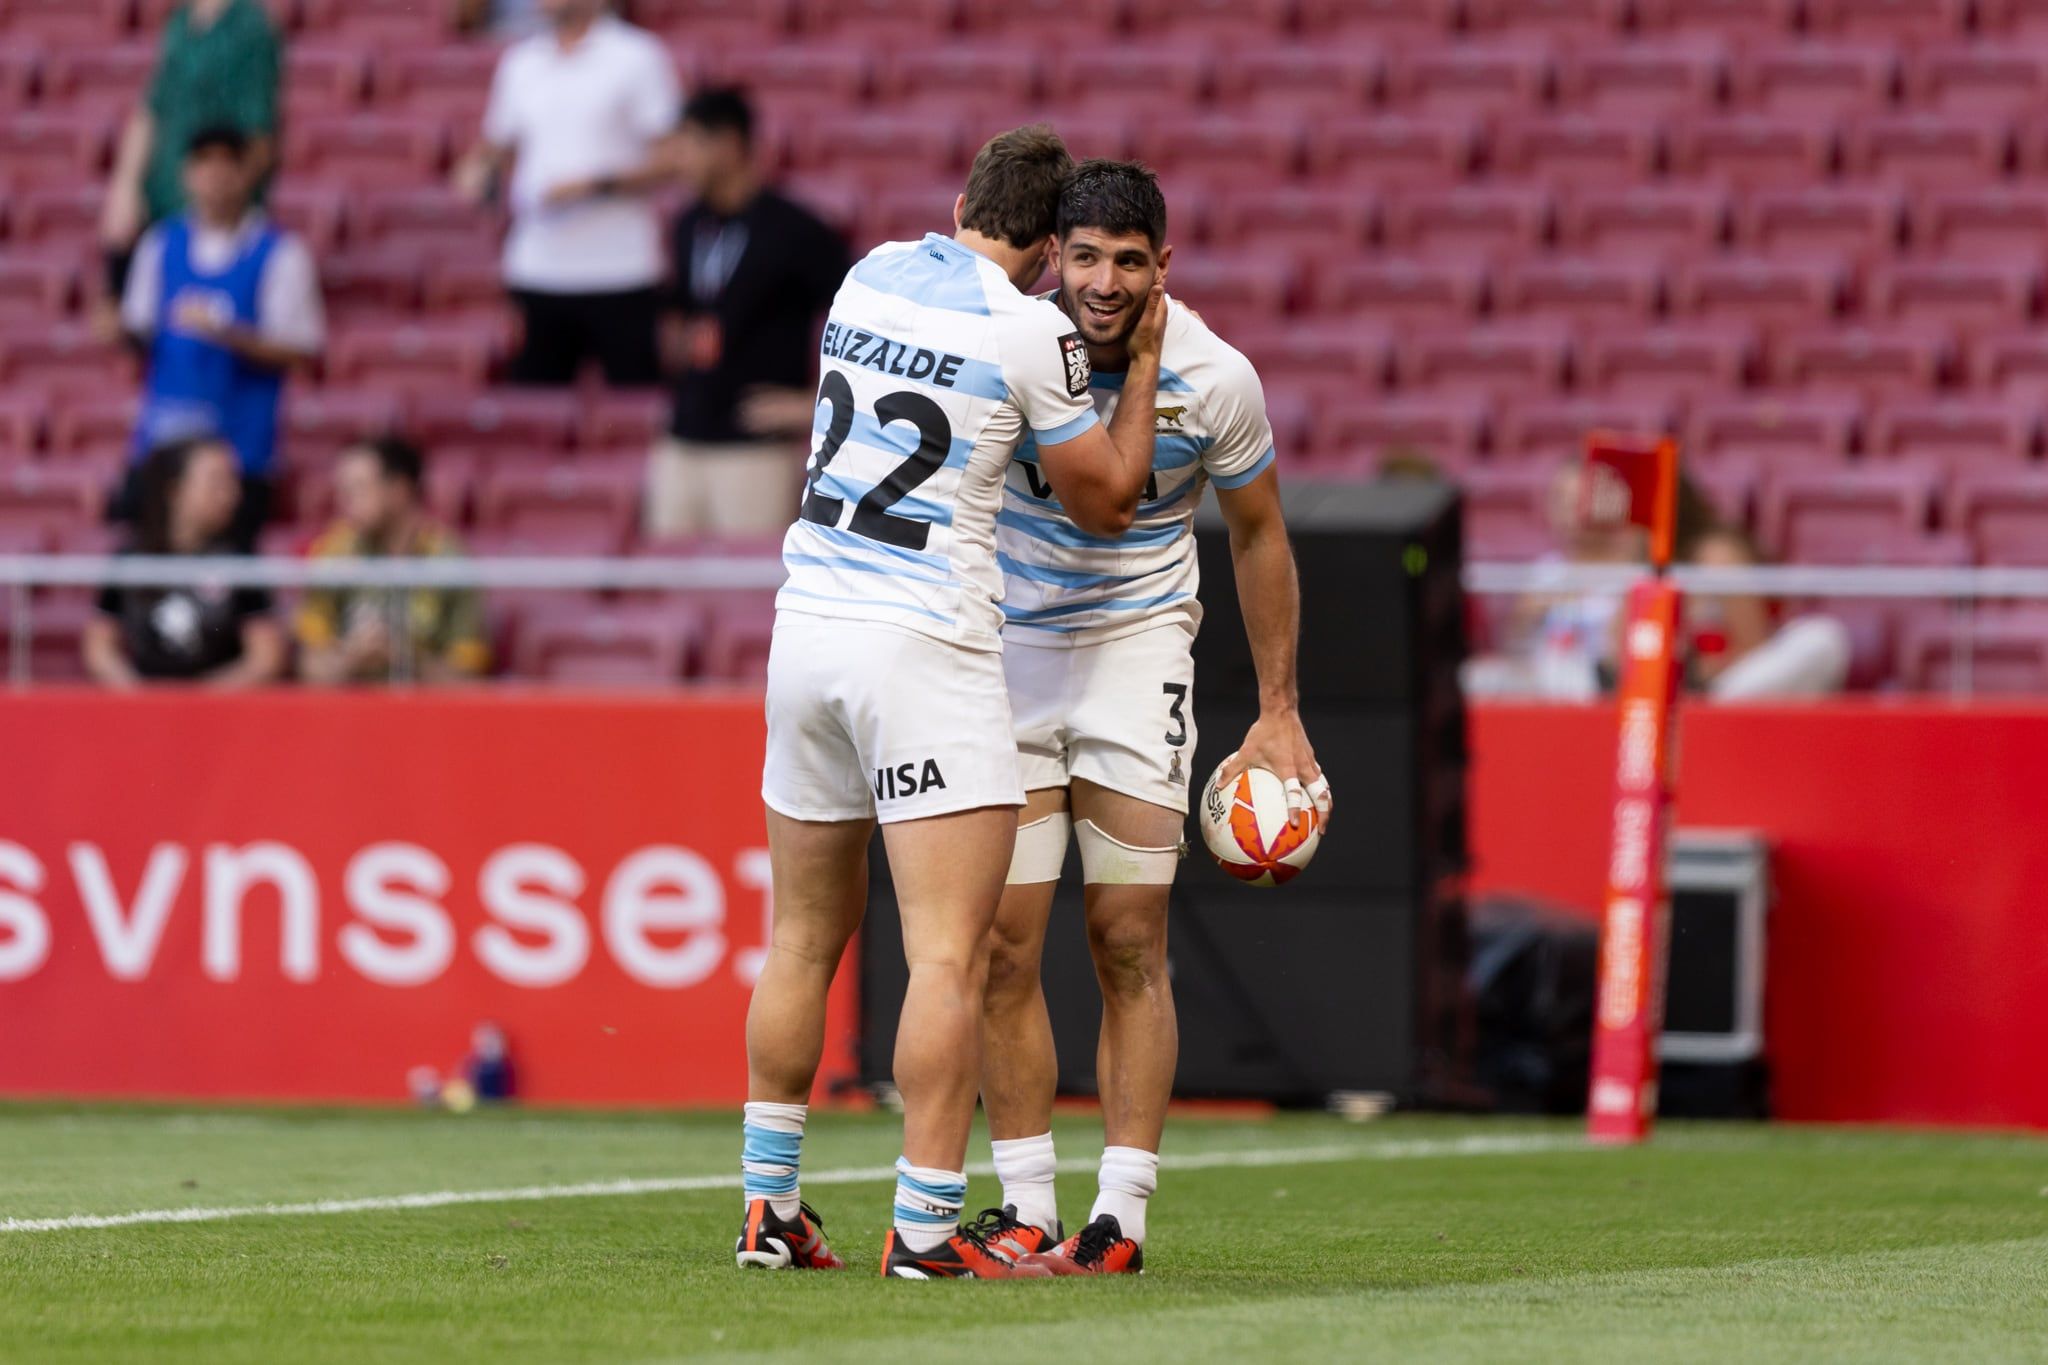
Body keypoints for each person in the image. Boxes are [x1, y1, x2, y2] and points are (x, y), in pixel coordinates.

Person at [738, 126, 1168, 1280]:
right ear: (1047, 250)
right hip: (922, 646)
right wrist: (1143, 363)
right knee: (946, 954)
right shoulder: (1028, 327)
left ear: (963, 202)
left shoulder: (868, 272)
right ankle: (925, 1227)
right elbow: (1104, 503)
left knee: (800, 936)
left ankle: (768, 1209)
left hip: (804, 628)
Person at [972, 161, 1328, 1276]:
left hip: (1135, 654)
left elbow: (1259, 533)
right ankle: (1024, 1206)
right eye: (1084, 256)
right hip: (1008, 654)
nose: (1104, 281)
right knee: (1000, 943)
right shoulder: (1006, 348)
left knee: (1127, 935)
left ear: (1162, 265)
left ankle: (1118, 1218)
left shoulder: (1215, 377)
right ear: (1053, 258)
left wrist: (1279, 710)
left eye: (1129, 260)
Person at [649, 88, 850, 537]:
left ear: (728, 145)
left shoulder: (797, 231)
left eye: (688, 144)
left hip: (755, 449)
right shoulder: (687, 225)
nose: (677, 160)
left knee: (748, 578)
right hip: (681, 442)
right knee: (662, 573)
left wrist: (814, 404)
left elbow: (869, 321)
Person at [454, 0, 681, 388]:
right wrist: (477, 169)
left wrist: (593, 185)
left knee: (633, 400)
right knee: (536, 403)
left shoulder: (637, 55)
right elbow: (501, 146)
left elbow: (673, 157)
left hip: (620, 268)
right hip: (538, 267)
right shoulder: (521, 61)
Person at [119, 124, 325, 549]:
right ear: (187, 174)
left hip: (242, 450)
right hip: (164, 446)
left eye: (228, 164)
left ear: (248, 172)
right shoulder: (159, 245)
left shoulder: (279, 253)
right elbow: (138, 330)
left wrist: (228, 335)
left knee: (230, 563)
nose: (215, 176)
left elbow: (301, 348)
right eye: (205, 164)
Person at [99, 0, 281, 309]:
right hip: (166, 195)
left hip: (216, 205)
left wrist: (225, 193)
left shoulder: (251, 28)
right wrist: (125, 185)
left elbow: (258, 130)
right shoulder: (180, 23)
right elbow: (153, 107)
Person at [83, 437, 285, 690]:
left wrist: (199, 700)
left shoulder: (240, 561)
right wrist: (137, 693)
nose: (233, 494)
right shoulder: (131, 560)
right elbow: (100, 646)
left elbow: (265, 657)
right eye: (217, 481)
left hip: (220, 707)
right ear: (175, 490)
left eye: (233, 481)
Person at [296, 436, 491, 686]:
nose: (344, 502)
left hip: (425, 708)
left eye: (358, 488)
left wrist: (403, 656)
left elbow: (469, 682)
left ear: (399, 490)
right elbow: (309, 668)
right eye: (342, 490)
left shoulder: (450, 562)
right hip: (351, 705)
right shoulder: (335, 552)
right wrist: (351, 657)